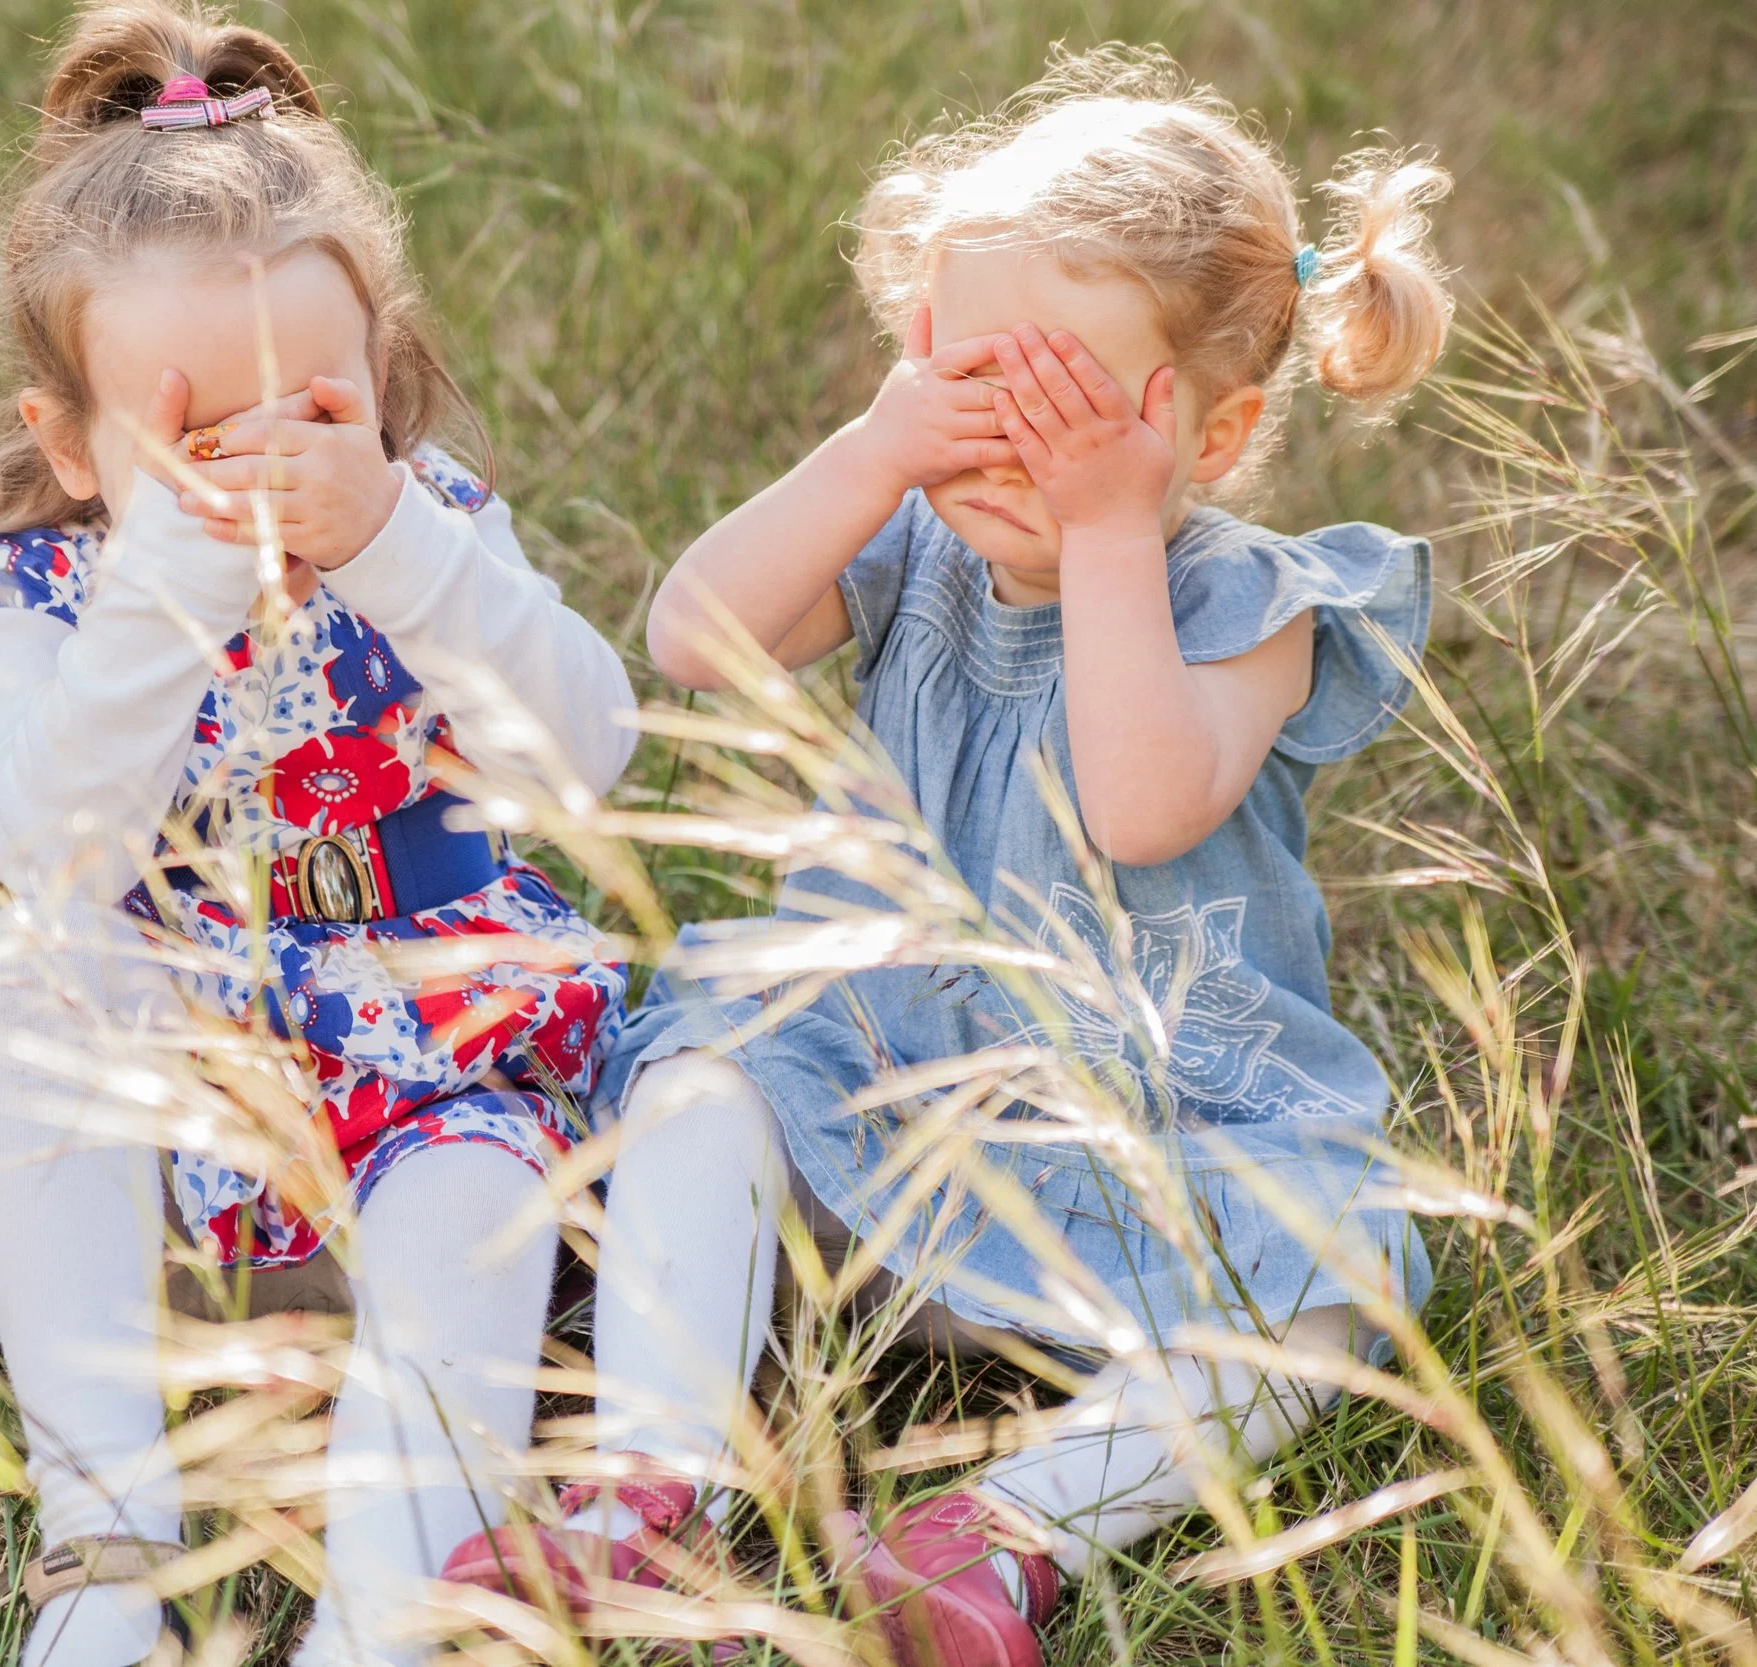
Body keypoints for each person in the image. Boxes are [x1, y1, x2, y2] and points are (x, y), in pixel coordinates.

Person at [444, 45, 1453, 1667]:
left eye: (1060, 412)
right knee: (703, 1089)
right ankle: (649, 1482)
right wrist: (875, 450)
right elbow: (692, 638)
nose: (1003, 448)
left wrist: (1115, 531)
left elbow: (1137, 809)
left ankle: (998, 1535)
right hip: (880, 1082)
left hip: (1151, 1138)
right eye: (973, 387)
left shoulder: (1256, 606)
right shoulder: (913, 537)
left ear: (1215, 428)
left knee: (1322, 1312)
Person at [0, 7, 634, 1663]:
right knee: (34, 971)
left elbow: (593, 754)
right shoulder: (35, 595)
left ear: (377, 378)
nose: (263, 461)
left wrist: (401, 545)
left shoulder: (432, 522)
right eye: (190, 430)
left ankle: (384, 1596)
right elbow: (53, 850)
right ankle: (108, 1555)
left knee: (481, 1200)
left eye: (311, 404)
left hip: (418, 1065)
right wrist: (161, 583)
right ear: (74, 445)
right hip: (152, 1186)